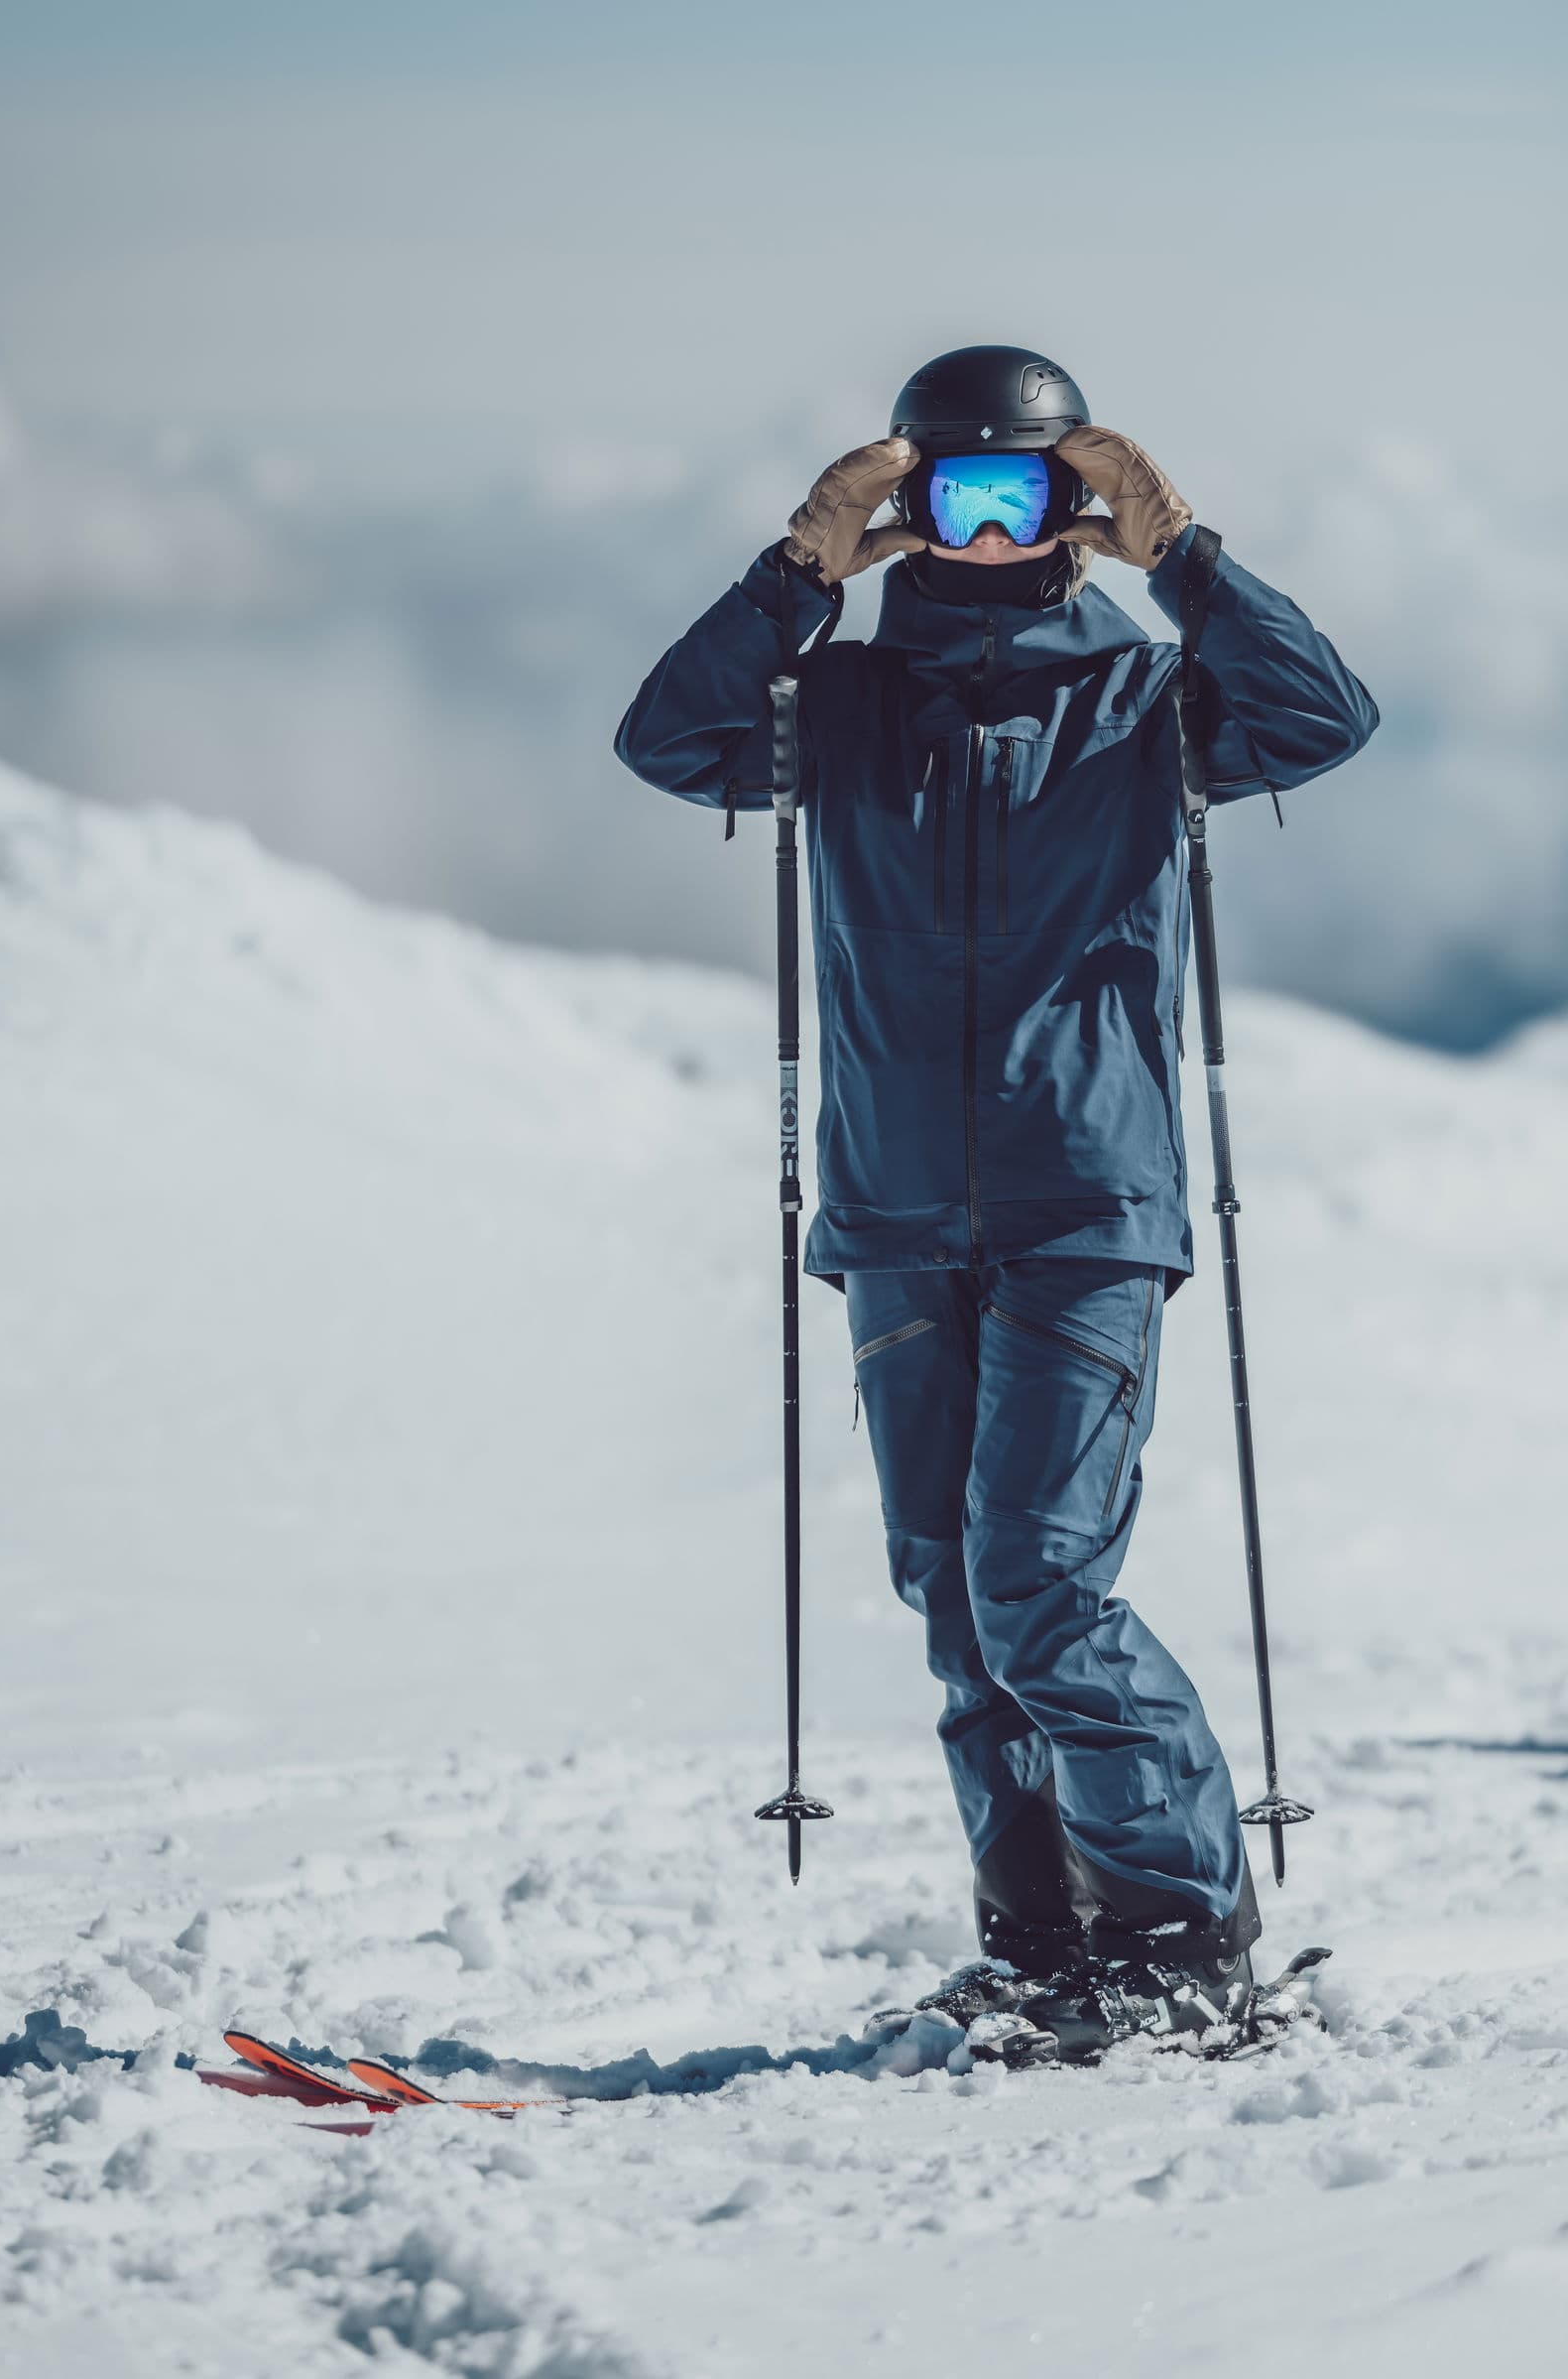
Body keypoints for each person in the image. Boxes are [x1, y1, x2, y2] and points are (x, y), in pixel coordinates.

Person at [615, 344, 1378, 2065]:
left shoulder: (1141, 705)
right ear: (899, 506)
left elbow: (1325, 717)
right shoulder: (844, 703)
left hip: (1087, 1204)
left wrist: (1184, 552)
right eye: (942, 494)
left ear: (1070, 510)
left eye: (1016, 493)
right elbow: (666, 740)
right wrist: (798, 574)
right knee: (961, 1606)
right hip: (894, 1215)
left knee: (1041, 1578)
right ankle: (1045, 1945)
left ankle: (1182, 1935)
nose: (977, 526)